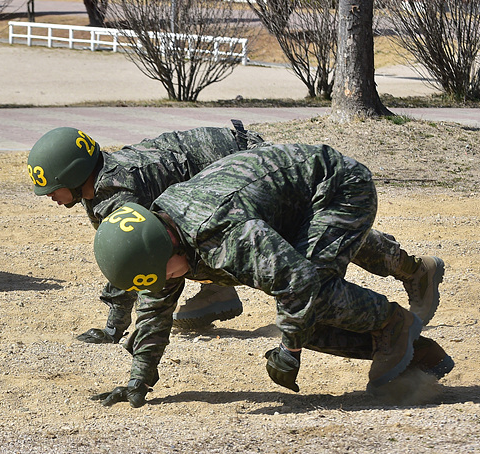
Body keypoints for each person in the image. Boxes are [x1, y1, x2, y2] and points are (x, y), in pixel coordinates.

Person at [91, 143, 452, 408]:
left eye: (161, 275)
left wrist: (289, 349)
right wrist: (139, 378)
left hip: (337, 187)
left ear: (165, 248)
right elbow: (155, 309)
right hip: (287, 205)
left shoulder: (222, 234)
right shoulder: (159, 240)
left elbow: (300, 282)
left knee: (312, 298)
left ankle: (393, 325)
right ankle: (420, 355)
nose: (164, 284)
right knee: (301, 317)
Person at [28, 122, 267, 344]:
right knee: (182, 244)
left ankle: (292, 309)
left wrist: (114, 329)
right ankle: (217, 291)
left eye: (53, 188)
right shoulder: (100, 181)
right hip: (236, 155)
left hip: (249, 164)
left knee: (173, 256)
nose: (49, 195)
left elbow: (133, 258)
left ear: (74, 175)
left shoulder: (118, 193)